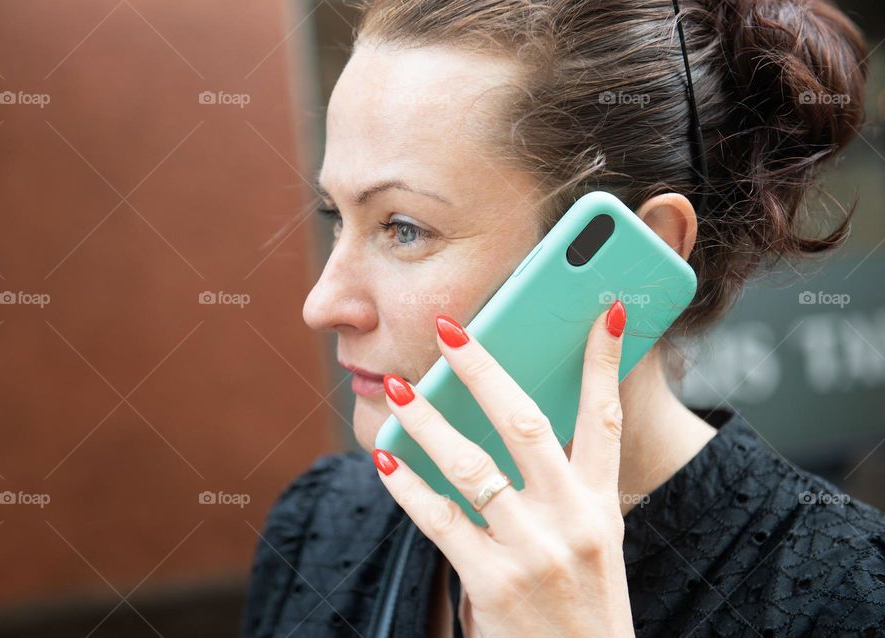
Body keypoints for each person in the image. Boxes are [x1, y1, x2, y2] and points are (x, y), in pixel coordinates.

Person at [239, 0, 885, 635]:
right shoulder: (321, 528)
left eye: (403, 228)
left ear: (636, 258)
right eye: (335, 216)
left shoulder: (846, 599)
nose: (323, 305)